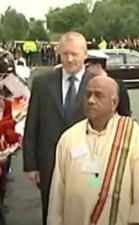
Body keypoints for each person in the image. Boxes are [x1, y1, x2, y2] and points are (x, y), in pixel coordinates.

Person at [47, 76, 139, 225]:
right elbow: (58, 189)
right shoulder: (69, 137)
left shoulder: (131, 135)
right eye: (88, 94)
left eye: (98, 95)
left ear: (114, 103)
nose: (91, 100)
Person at [22, 31, 94, 225]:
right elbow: (32, 124)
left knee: (87, 209)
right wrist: (31, 164)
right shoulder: (42, 83)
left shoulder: (96, 84)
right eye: (65, 54)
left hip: (88, 165)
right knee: (51, 210)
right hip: (49, 164)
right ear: (59, 54)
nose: (70, 59)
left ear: (85, 54)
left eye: (75, 54)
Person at [85, 49, 132, 116]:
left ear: (97, 66)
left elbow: (124, 111)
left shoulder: (117, 85)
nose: (85, 70)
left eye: (87, 66)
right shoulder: (86, 84)